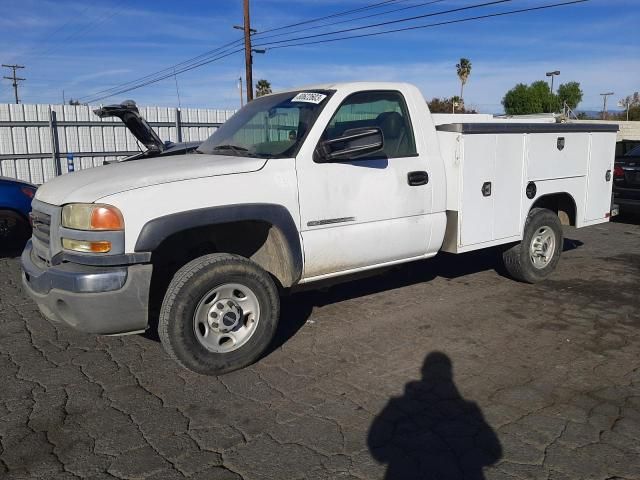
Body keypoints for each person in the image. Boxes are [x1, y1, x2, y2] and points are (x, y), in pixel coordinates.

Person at [368, 352, 502, 480]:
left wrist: (399, 457)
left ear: (423, 371)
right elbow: (493, 453)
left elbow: (377, 442)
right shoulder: (467, 409)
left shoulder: (399, 405)